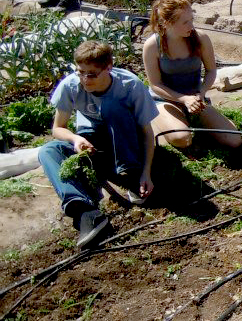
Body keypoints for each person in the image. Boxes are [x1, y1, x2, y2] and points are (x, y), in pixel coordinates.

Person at [38, 41, 158, 249]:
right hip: (92, 141)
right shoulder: (70, 85)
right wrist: (76, 139)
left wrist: (146, 173)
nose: (85, 79)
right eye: (80, 72)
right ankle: (84, 211)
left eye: (92, 74)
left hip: (127, 141)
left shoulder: (130, 85)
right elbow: (58, 128)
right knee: (48, 150)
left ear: (108, 67)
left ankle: (130, 176)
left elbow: (148, 134)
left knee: (112, 107)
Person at [143, 0, 241, 150]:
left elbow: (211, 71)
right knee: (182, 139)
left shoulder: (200, 38)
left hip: (196, 98)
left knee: (234, 141)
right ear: (167, 23)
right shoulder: (152, 46)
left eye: (192, 19)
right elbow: (155, 85)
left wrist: (200, 93)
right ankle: (159, 118)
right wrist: (183, 99)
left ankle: (190, 118)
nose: (192, 25)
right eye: (185, 22)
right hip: (165, 100)